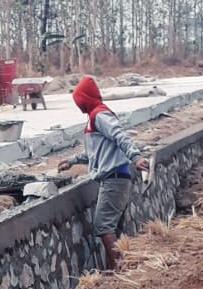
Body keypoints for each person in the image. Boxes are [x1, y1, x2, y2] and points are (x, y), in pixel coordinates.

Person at [57, 75, 149, 270]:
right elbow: (96, 152)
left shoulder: (99, 115)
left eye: (79, 100)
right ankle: (119, 268)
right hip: (116, 177)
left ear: (85, 99)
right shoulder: (94, 117)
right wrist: (72, 161)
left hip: (114, 178)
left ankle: (118, 269)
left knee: (103, 225)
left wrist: (136, 157)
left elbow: (120, 136)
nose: (78, 105)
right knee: (113, 227)